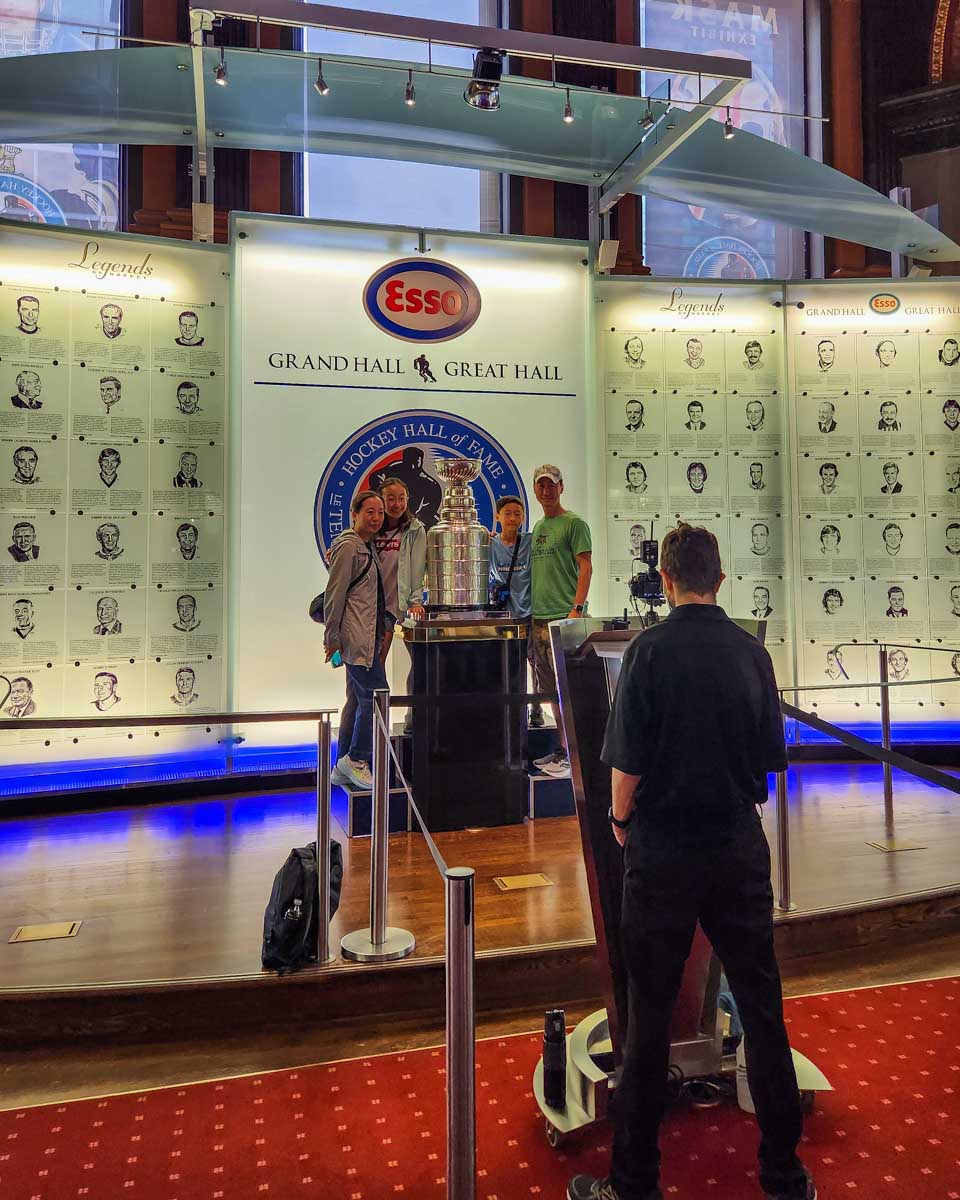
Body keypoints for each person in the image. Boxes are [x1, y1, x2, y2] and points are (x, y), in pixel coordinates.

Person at [567, 523, 814, 1200]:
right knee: (763, 1010)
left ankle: (634, 1182)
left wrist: (620, 822)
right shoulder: (751, 654)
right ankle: (785, 1176)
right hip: (737, 845)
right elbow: (769, 761)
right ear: (721, 579)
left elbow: (626, 766)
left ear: (667, 582)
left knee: (647, 1018)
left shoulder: (647, 652)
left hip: (664, 850)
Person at [336, 475, 428, 758]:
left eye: (401, 498)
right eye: (390, 498)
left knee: (419, 667)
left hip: (399, 611)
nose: (396, 504)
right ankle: (348, 756)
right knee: (362, 688)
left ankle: (410, 722)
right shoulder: (368, 531)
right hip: (370, 616)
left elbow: (419, 567)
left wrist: (415, 601)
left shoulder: (415, 529)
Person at [529, 464, 592, 779]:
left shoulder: (575, 523)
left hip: (564, 620)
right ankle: (563, 749)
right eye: (541, 485)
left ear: (561, 487)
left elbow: (585, 567)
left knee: (570, 691)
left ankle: (577, 756)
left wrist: (577, 609)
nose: (546, 491)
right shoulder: (539, 527)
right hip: (538, 621)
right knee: (551, 691)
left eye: (551, 485)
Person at [324, 490, 387, 791]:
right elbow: (334, 595)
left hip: (366, 637)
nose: (375, 518)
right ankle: (357, 759)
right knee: (376, 698)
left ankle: (342, 765)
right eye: (369, 512)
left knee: (365, 699)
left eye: (380, 512)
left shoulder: (364, 546)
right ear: (354, 513)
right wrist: (332, 637)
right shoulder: (349, 546)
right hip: (356, 638)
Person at [489, 494, 541, 726]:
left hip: (529, 612)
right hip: (504, 616)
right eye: (507, 513)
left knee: (535, 663)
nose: (512, 518)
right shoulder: (489, 544)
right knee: (508, 664)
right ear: (497, 516)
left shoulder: (531, 541)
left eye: (517, 514)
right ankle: (509, 708)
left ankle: (536, 707)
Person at [372, 446, 443, 528]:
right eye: (410, 461)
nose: (412, 466)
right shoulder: (395, 468)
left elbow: (427, 512)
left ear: (421, 461)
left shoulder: (431, 485)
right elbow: (375, 476)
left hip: (415, 521)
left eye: (416, 462)